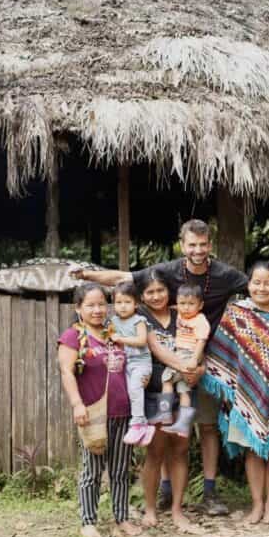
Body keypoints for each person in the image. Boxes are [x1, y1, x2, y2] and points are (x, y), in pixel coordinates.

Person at [73, 219, 248, 516]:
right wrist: (87, 273)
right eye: (192, 244)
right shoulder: (160, 286)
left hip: (208, 358)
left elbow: (262, 284)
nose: (198, 250)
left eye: (204, 244)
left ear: (211, 244)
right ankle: (163, 496)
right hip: (167, 371)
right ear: (182, 243)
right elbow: (124, 276)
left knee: (203, 427)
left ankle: (208, 491)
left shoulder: (223, 275)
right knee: (160, 439)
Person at [202, 261, 269, 525]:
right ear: (248, 285)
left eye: (268, 283)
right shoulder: (236, 314)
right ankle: (257, 505)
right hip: (246, 393)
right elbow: (221, 354)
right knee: (252, 450)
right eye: (256, 282)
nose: (262, 288)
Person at [56, 283, 142, 537]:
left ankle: (121, 518)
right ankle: (88, 521)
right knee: (92, 471)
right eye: (90, 305)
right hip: (92, 414)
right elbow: (66, 372)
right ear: (78, 308)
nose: (97, 310)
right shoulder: (73, 336)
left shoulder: (115, 333)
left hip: (123, 411)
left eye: (102, 304)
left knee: (119, 470)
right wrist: (76, 404)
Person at [136, 270, 195, 531]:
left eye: (160, 290)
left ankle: (177, 510)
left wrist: (197, 369)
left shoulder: (183, 315)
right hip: (154, 394)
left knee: (181, 450)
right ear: (141, 296)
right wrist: (189, 368)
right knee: (155, 451)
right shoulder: (140, 319)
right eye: (150, 292)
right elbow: (157, 353)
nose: (156, 296)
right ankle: (150, 509)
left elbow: (197, 344)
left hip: (184, 392)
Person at [159, 284, 210, 437]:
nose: (186, 308)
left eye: (191, 304)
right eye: (182, 303)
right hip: (180, 354)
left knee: (166, 380)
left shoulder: (200, 320)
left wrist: (194, 359)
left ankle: (165, 413)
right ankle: (182, 424)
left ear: (200, 305)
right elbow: (173, 306)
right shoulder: (180, 314)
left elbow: (201, 340)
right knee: (184, 390)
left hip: (187, 355)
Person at [109, 282, 155, 446]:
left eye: (127, 302)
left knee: (135, 389)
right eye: (119, 302)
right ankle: (144, 425)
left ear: (136, 304)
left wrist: (121, 339)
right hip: (124, 364)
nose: (122, 306)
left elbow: (142, 340)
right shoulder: (113, 321)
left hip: (140, 363)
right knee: (129, 393)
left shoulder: (139, 320)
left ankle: (138, 423)